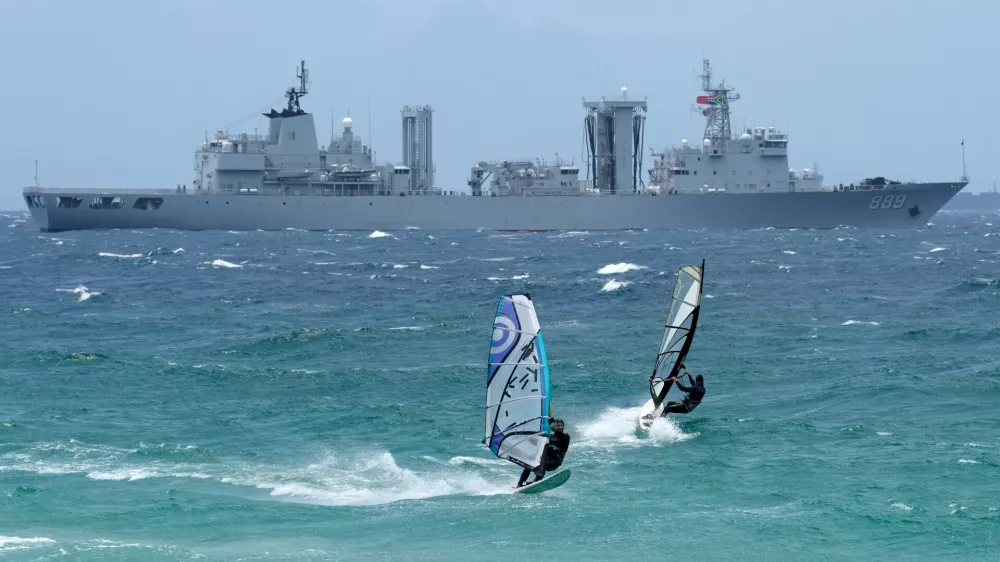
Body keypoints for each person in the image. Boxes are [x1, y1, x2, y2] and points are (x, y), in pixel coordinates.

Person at [517, 418, 570, 487]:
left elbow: (563, 445)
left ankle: (537, 480)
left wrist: (549, 426)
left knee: (542, 465)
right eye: (558, 425)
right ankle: (520, 484)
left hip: (555, 462)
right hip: (545, 460)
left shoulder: (565, 437)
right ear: (555, 427)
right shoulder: (548, 437)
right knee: (529, 465)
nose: (560, 427)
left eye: (562, 425)